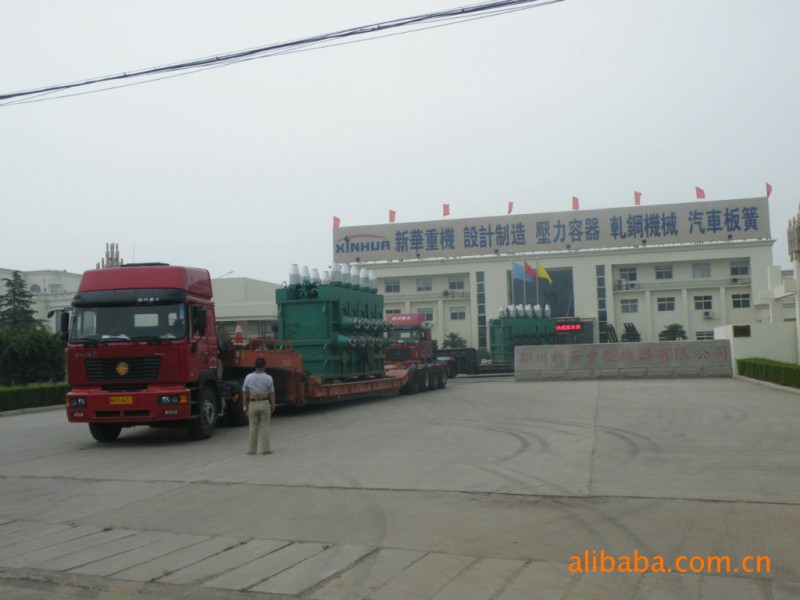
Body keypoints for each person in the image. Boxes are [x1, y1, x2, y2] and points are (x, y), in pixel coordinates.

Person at [242, 357, 276, 455]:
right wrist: (273, 404)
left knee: (253, 428)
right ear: (264, 366)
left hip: (253, 403)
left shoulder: (248, 377)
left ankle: (252, 450)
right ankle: (266, 449)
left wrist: (244, 403)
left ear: (255, 366)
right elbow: (271, 393)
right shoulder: (268, 378)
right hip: (264, 402)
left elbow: (244, 391)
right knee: (265, 427)